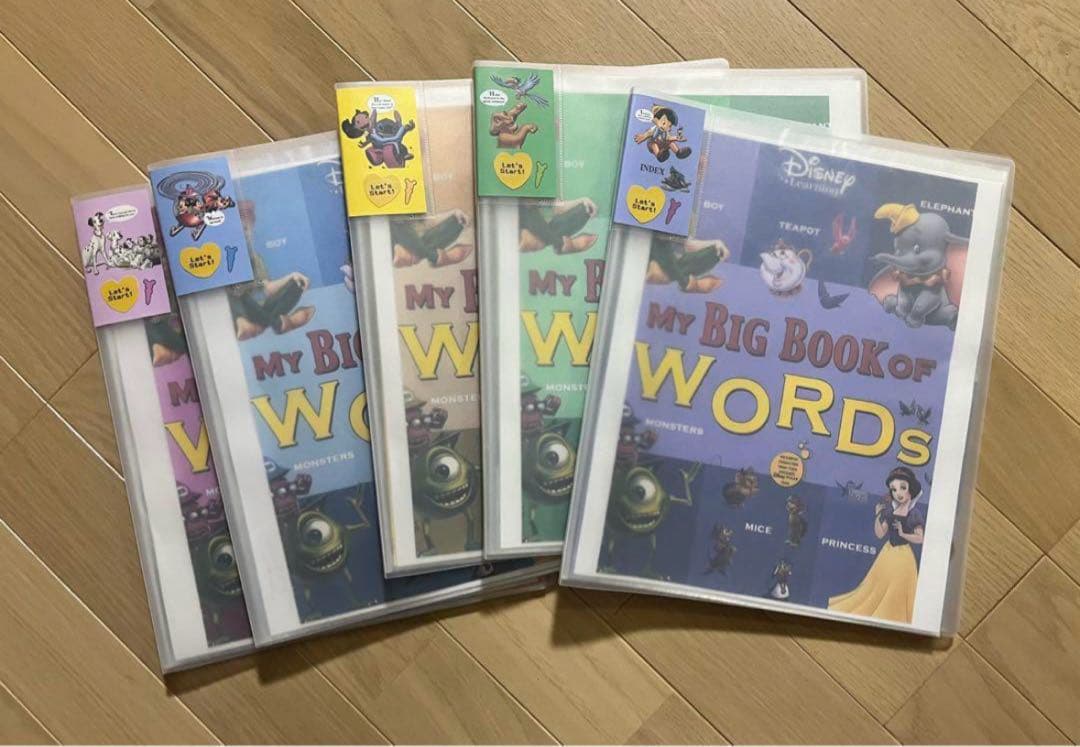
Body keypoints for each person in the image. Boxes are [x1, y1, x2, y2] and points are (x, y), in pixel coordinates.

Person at [828, 465, 925, 623]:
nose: (898, 493)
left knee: (899, 589)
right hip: (887, 553)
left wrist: (903, 534)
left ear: (911, 490)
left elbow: (920, 538)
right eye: (894, 489)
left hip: (904, 557)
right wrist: (878, 515)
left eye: (902, 487)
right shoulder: (889, 512)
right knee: (875, 588)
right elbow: (880, 534)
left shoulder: (914, 514)